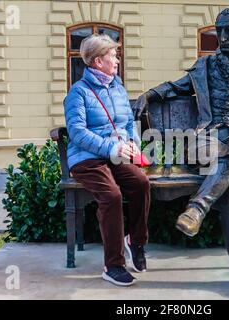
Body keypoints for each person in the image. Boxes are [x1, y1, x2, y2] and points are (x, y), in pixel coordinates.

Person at [133, 8, 229, 296]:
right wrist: (149, 95)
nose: (223, 37)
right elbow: (175, 87)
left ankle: (197, 208)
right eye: (219, 30)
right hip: (208, 138)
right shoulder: (205, 67)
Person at [63, 34, 150, 287]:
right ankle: (113, 265)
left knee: (141, 184)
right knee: (111, 196)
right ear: (98, 61)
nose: (117, 60)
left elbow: (126, 123)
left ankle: (135, 241)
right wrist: (112, 147)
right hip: (87, 159)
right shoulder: (78, 92)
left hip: (116, 155)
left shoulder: (118, 88)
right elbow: (78, 133)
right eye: (113, 55)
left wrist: (133, 143)